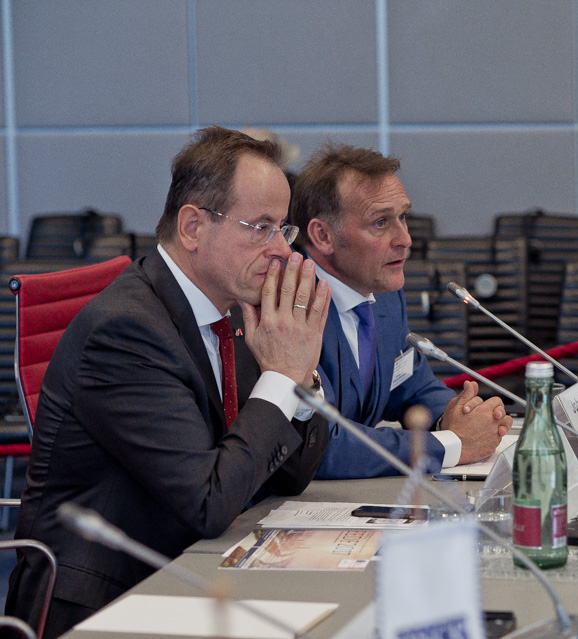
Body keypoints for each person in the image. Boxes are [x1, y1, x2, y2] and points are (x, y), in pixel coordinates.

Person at [5, 127, 332, 638]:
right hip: (105, 603)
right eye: (260, 228)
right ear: (193, 227)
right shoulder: (126, 332)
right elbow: (208, 503)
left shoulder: (232, 314)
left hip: (192, 570)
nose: (281, 252)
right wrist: (281, 375)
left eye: (283, 230)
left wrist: (301, 381)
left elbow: (288, 476)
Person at [289, 144, 511, 478]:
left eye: (403, 217)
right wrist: (451, 445)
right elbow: (319, 443)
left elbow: (411, 386)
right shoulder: (289, 306)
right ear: (323, 236)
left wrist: (456, 415)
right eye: (380, 222)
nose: (405, 239)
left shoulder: (385, 295)